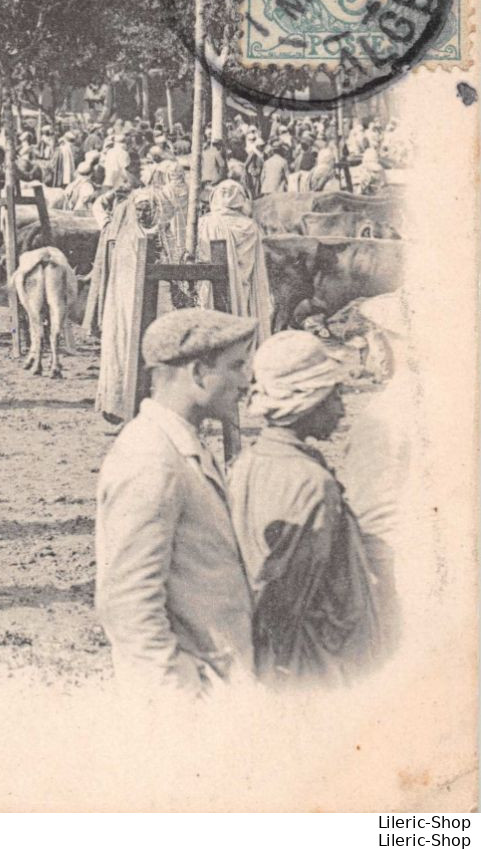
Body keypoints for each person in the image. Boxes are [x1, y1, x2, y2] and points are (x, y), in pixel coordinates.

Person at [94, 307, 257, 697]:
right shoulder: (151, 459)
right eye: (235, 367)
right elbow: (128, 602)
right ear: (199, 374)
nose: (246, 381)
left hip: (219, 681)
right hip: (187, 701)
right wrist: (177, 699)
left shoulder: (179, 444)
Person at [228, 331, 390, 684]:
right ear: (309, 401)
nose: (342, 409)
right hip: (313, 665)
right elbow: (288, 599)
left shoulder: (248, 462)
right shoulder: (313, 484)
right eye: (334, 396)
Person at [87, 166, 185, 421]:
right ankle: (119, 404)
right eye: (139, 209)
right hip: (126, 307)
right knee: (124, 348)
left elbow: (178, 197)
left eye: (148, 210)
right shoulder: (128, 238)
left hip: (156, 305)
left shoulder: (162, 236)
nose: (143, 214)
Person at [196, 180, 274, 344]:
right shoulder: (250, 226)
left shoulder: (205, 224)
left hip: (210, 287)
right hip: (242, 288)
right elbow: (253, 266)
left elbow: (200, 256)